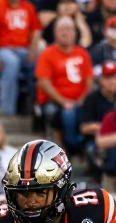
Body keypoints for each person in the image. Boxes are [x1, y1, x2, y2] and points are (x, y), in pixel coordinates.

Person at [35, 19, 93, 151]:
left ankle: (84, 144)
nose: (65, 33)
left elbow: (89, 79)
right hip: (54, 100)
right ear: (55, 34)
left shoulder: (82, 53)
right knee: (68, 112)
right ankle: (73, 144)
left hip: (80, 98)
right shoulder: (47, 54)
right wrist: (63, 101)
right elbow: (44, 82)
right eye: (61, 30)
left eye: (68, 29)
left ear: (74, 33)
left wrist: (83, 99)